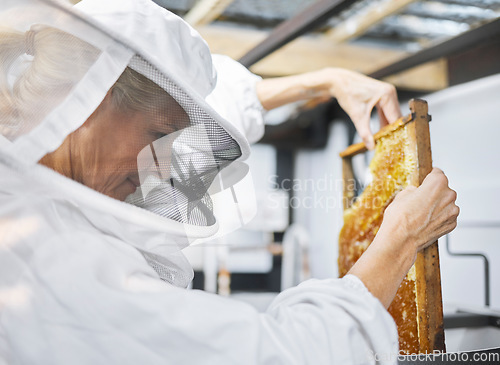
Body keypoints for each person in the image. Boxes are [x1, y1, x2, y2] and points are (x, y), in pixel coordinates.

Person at [0, 1, 458, 365]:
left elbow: (195, 106)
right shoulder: (44, 256)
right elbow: (285, 357)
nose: (162, 170)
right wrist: (401, 237)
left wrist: (324, 79)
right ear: (87, 103)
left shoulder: (42, 187)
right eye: (159, 137)